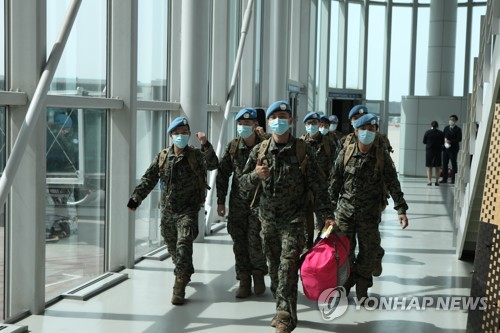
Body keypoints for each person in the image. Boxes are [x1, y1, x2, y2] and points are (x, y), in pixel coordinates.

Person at [240, 101, 334, 333]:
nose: (279, 121)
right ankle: (286, 307)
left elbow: (318, 186)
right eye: (274, 117)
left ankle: (283, 317)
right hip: (268, 221)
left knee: (288, 266)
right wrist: (255, 175)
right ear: (269, 122)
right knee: (275, 269)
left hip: (294, 221)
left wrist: (327, 215)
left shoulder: (303, 150)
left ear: (291, 121)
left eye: (283, 116)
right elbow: (242, 185)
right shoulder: (260, 152)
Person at [127, 116, 218, 305]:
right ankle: (184, 269)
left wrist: (205, 144)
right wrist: (136, 198)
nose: (181, 136)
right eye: (177, 133)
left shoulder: (195, 155)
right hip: (168, 211)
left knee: (184, 243)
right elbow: (149, 179)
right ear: (170, 135)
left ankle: (179, 285)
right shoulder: (162, 157)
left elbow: (213, 164)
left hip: (188, 210)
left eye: (184, 133)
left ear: (189, 134)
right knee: (173, 247)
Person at [328, 113, 409, 304]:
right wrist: (328, 212)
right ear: (356, 131)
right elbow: (334, 182)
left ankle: (363, 287)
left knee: (369, 251)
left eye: (371, 130)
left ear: (376, 132)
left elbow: (393, 183)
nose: (367, 133)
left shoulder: (382, 156)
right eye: (363, 129)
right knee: (344, 252)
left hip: (370, 214)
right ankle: (345, 285)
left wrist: (401, 209)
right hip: (345, 213)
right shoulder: (345, 153)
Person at [216, 108, 268, 298]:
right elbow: (222, 174)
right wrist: (220, 201)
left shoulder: (265, 144)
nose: (244, 127)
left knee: (256, 241)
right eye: (241, 124)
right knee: (239, 242)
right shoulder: (233, 146)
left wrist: (265, 135)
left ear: (256, 125)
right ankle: (244, 280)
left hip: (260, 202)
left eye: (248, 124)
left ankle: (259, 275)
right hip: (238, 202)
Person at [300, 111, 338, 248]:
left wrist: (332, 191)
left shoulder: (329, 143)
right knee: (305, 229)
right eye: (309, 123)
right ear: (305, 125)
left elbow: (336, 168)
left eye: (315, 123)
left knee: (326, 227)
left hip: (324, 191)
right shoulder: (300, 143)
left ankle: (321, 250)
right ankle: (307, 255)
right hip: (305, 192)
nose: (312, 126)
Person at [440, 114, 462, 184]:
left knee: (453, 163)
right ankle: (444, 178)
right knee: (444, 164)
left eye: (452, 120)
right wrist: (444, 141)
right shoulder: (446, 128)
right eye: (450, 119)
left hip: (453, 149)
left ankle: (453, 179)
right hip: (446, 148)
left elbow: (459, 139)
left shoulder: (458, 129)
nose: (451, 121)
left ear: (456, 121)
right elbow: (443, 136)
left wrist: (450, 141)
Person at [423, 121, 445, 186]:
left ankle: (429, 181)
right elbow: (443, 142)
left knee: (429, 167)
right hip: (438, 151)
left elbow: (424, 141)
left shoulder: (427, 132)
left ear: (431, 125)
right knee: (437, 167)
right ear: (437, 126)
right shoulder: (441, 133)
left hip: (429, 151)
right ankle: (437, 181)